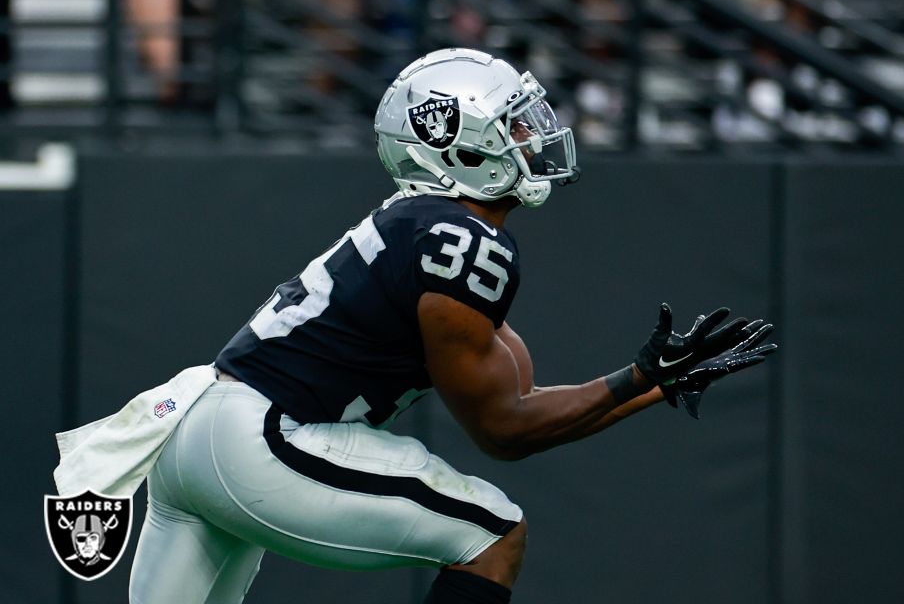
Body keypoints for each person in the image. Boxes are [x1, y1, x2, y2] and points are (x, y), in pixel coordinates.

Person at [53, 48, 777, 603]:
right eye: (515, 124)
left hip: (194, 441)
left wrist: (651, 386)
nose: (538, 134)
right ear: (459, 148)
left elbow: (522, 415)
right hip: (261, 438)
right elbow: (506, 433)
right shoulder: (462, 242)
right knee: (492, 533)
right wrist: (639, 378)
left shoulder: (423, 231)